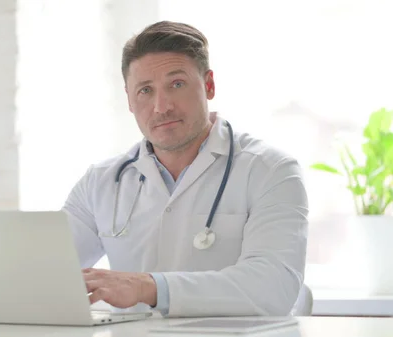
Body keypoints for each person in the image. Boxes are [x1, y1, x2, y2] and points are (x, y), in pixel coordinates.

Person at [62, 20, 309, 318]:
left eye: (176, 84)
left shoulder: (271, 171)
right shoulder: (101, 182)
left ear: (209, 85)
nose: (161, 106)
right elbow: (46, 271)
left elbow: (273, 288)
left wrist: (147, 287)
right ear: (129, 99)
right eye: (145, 91)